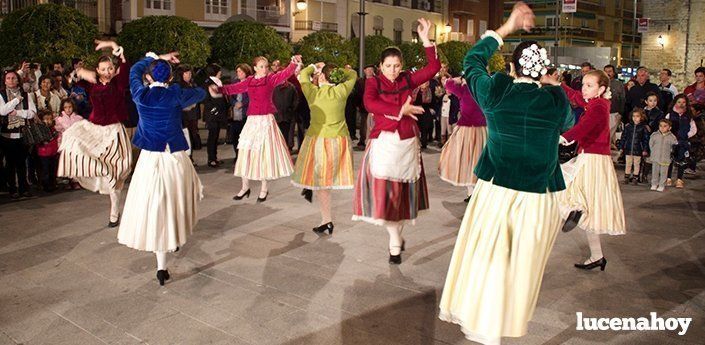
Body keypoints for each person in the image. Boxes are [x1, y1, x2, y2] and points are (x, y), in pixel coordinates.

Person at [439, 4, 574, 343]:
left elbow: (472, 62)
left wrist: (504, 29)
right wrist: (552, 86)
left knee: (488, 262)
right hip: (539, 197)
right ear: (544, 69)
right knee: (521, 270)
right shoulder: (557, 101)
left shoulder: (497, 91)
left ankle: (486, 327)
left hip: (498, 192)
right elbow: (570, 124)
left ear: (513, 67)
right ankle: (503, 325)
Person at [352, 18, 440, 265]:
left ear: (401, 66)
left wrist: (425, 39)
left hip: (407, 144)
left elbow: (433, 68)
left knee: (401, 200)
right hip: (383, 144)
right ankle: (394, 241)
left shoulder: (407, 80)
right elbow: (371, 104)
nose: (392, 69)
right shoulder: (373, 82)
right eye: (388, 65)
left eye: (396, 65)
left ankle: (396, 239)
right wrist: (402, 109)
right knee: (386, 200)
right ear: (380, 65)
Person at [117, 51, 206, 286]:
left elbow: (135, 70)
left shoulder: (140, 93)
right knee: (183, 196)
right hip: (173, 156)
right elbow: (200, 92)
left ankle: (161, 266)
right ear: (168, 79)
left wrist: (151, 58)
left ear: (149, 77)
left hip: (149, 158)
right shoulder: (175, 94)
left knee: (155, 206)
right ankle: (175, 237)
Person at [57, 40, 132, 227]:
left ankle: (114, 212)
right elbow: (71, 79)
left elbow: (125, 66)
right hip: (95, 130)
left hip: (114, 131)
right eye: (103, 69)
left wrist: (116, 48)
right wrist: (79, 71)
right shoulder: (92, 84)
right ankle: (88, 177)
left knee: (116, 174)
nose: (107, 71)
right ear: (97, 70)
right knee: (71, 140)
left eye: (110, 68)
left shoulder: (118, 83)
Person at [557, 69, 626, 272]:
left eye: (589, 85)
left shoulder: (598, 107)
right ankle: (597, 256)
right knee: (587, 209)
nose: (584, 89)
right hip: (590, 156)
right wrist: (559, 85)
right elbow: (577, 97)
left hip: (594, 159)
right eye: (584, 84)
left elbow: (583, 128)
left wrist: (561, 138)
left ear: (601, 88)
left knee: (566, 188)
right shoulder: (597, 102)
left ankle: (574, 209)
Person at [220, 55, 302, 203]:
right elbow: (234, 88)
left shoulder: (270, 79)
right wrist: (220, 89)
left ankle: (264, 188)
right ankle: (245, 187)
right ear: (255, 68)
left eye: (266, 66)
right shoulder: (249, 81)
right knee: (245, 153)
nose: (265, 69)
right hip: (252, 121)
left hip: (265, 120)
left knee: (264, 155)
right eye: (262, 66)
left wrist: (293, 64)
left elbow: (284, 74)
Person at [291, 63, 357, 235]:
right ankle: (325, 219)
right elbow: (353, 74)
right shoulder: (341, 91)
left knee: (322, 183)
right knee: (325, 182)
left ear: (321, 77)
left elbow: (303, 76)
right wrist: (336, 71)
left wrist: (313, 66)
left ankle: (326, 219)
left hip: (318, 140)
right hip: (339, 140)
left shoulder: (313, 93)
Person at [438, 76, 487, 201]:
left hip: (468, 129)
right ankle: (474, 193)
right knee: (475, 162)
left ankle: (472, 193)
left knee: (467, 162)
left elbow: (448, 83)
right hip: (480, 129)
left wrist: (458, 79)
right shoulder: (482, 88)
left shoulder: (465, 89)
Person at [0, 70, 37, 199]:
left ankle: (23, 188)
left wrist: (19, 113)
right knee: (10, 163)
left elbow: (32, 112)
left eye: (13, 78)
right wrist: (16, 100)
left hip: (22, 133)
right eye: (8, 78)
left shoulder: (26, 95)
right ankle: (12, 189)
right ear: (5, 81)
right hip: (7, 135)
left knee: (22, 163)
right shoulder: (2, 95)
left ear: (18, 80)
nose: (11, 80)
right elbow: (3, 111)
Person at [665, 94, 697, 188]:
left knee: (681, 160)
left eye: (683, 102)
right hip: (671, 141)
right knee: (669, 160)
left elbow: (693, 129)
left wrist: (686, 135)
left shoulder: (688, 116)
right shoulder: (670, 115)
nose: (681, 104)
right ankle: (668, 178)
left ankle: (679, 179)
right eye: (679, 102)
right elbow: (664, 126)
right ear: (675, 102)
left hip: (683, 142)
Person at [202, 64, 228, 168]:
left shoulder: (216, 82)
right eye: (219, 71)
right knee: (212, 137)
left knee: (215, 136)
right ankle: (211, 159)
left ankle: (214, 157)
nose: (221, 73)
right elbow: (207, 100)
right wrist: (214, 109)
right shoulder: (209, 83)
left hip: (217, 114)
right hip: (212, 114)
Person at [174, 64, 202, 158]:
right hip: (184, 115)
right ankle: (187, 157)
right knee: (186, 136)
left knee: (192, 135)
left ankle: (191, 157)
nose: (189, 75)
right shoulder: (178, 85)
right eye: (186, 73)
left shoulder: (193, 84)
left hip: (193, 114)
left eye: (190, 73)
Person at [227, 63, 252, 163]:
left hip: (246, 113)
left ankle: (246, 157)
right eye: (237, 71)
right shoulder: (234, 82)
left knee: (245, 137)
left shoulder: (250, 83)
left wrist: (243, 103)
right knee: (235, 136)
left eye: (241, 71)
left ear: (246, 72)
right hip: (235, 113)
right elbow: (230, 96)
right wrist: (234, 103)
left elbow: (252, 97)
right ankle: (237, 155)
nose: (239, 73)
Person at [620, 108, 650, 184]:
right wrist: (621, 146)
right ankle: (626, 177)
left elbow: (646, 140)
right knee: (628, 163)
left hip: (638, 149)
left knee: (637, 164)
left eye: (637, 116)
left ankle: (635, 177)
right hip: (629, 148)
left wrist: (645, 149)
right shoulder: (628, 126)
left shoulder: (643, 128)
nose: (635, 118)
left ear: (641, 117)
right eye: (633, 116)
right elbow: (624, 137)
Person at [649, 119, 677, 192]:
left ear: (669, 128)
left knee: (663, 173)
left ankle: (662, 185)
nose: (662, 128)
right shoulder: (654, 135)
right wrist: (653, 152)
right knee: (655, 171)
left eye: (665, 126)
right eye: (660, 126)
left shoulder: (672, 137)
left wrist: (671, 153)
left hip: (665, 158)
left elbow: (674, 147)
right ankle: (654, 184)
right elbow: (651, 145)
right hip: (655, 157)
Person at [353, 65, 377, 149]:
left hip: (375, 107)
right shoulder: (360, 82)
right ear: (364, 71)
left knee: (374, 124)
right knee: (363, 125)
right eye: (368, 70)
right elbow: (357, 95)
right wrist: (358, 105)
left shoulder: (377, 81)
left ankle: (373, 141)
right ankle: (362, 142)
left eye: (371, 70)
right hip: (363, 106)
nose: (370, 71)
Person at [35, 110, 59, 192]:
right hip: (44, 153)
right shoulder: (40, 129)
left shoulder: (53, 129)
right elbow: (41, 141)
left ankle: (53, 183)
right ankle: (45, 185)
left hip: (53, 153)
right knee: (45, 170)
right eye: (46, 119)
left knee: (53, 169)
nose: (48, 121)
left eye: (50, 119)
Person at [604, 65, 626, 149]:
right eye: (606, 71)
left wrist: (620, 113)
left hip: (614, 112)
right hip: (602, 113)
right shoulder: (601, 83)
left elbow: (622, 99)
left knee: (609, 134)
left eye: (610, 71)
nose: (608, 73)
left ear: (613, 73)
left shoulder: (618, 84)